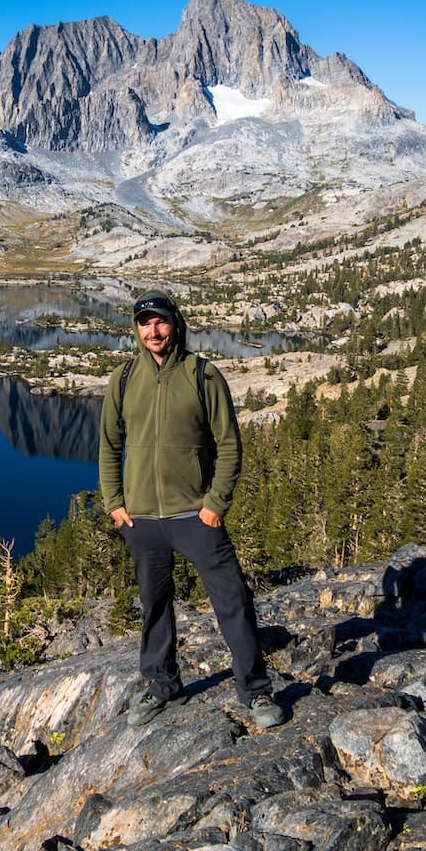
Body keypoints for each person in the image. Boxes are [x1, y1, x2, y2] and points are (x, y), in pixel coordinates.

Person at [99, 290, 287, 728]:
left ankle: (256, 691)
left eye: (160, 322)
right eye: (144, 323)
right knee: (154, 605)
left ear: (175, 324)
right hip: (142, 519)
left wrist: (215, 503)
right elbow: (109, 445)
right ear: (137, 329)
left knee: (232, 598)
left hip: (195, 516)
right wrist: (115, 503)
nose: (153, 331)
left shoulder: (203, 376)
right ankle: (162, 685)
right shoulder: (123, 379)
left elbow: (229, 446)